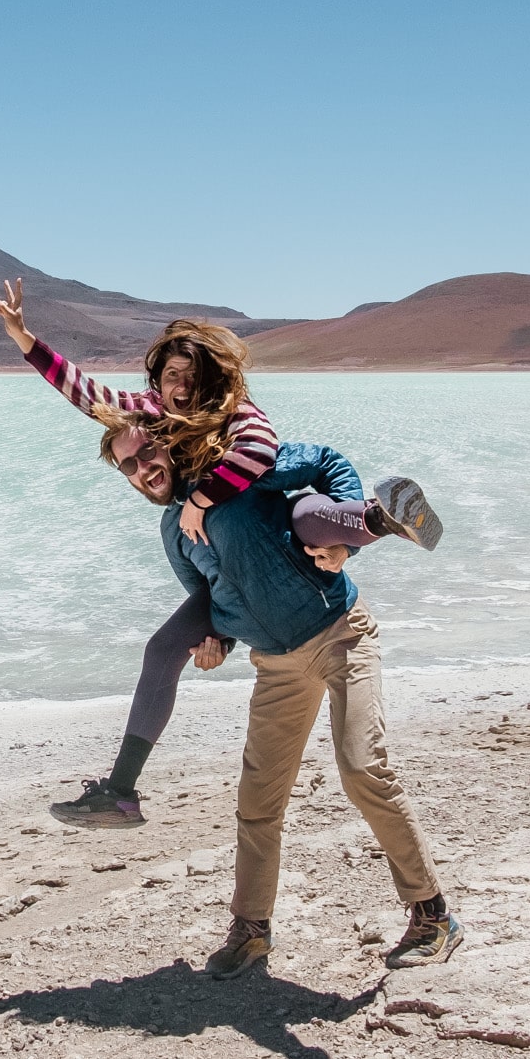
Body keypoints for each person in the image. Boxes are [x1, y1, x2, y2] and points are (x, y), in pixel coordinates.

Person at [0, 278, 442, 822]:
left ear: (210, 379)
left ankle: (380, 516)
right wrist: (25, 338)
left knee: (301, 515)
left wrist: (209, 501)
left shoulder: (237, 421)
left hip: (312, 590)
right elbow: (91, 397)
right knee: (163, 650)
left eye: (190, 376)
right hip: (261, 626)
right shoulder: (164, 484)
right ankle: (120, 791)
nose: (180, 387)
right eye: (169, 376)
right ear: (156, 385)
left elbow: (297, 455)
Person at [98, 415, 463, 974]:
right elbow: (210, 597)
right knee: (258, 801)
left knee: (364, 768)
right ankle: (251, 931)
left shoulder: (237, 470)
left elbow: (328, 462)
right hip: (276, 666)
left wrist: (347, 547)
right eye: (130, 465)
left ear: (168, 445)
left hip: (342, 635)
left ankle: (433, 914)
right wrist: (214, 641)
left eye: (147, 453)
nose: (143, 468)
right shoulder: (174, 533)